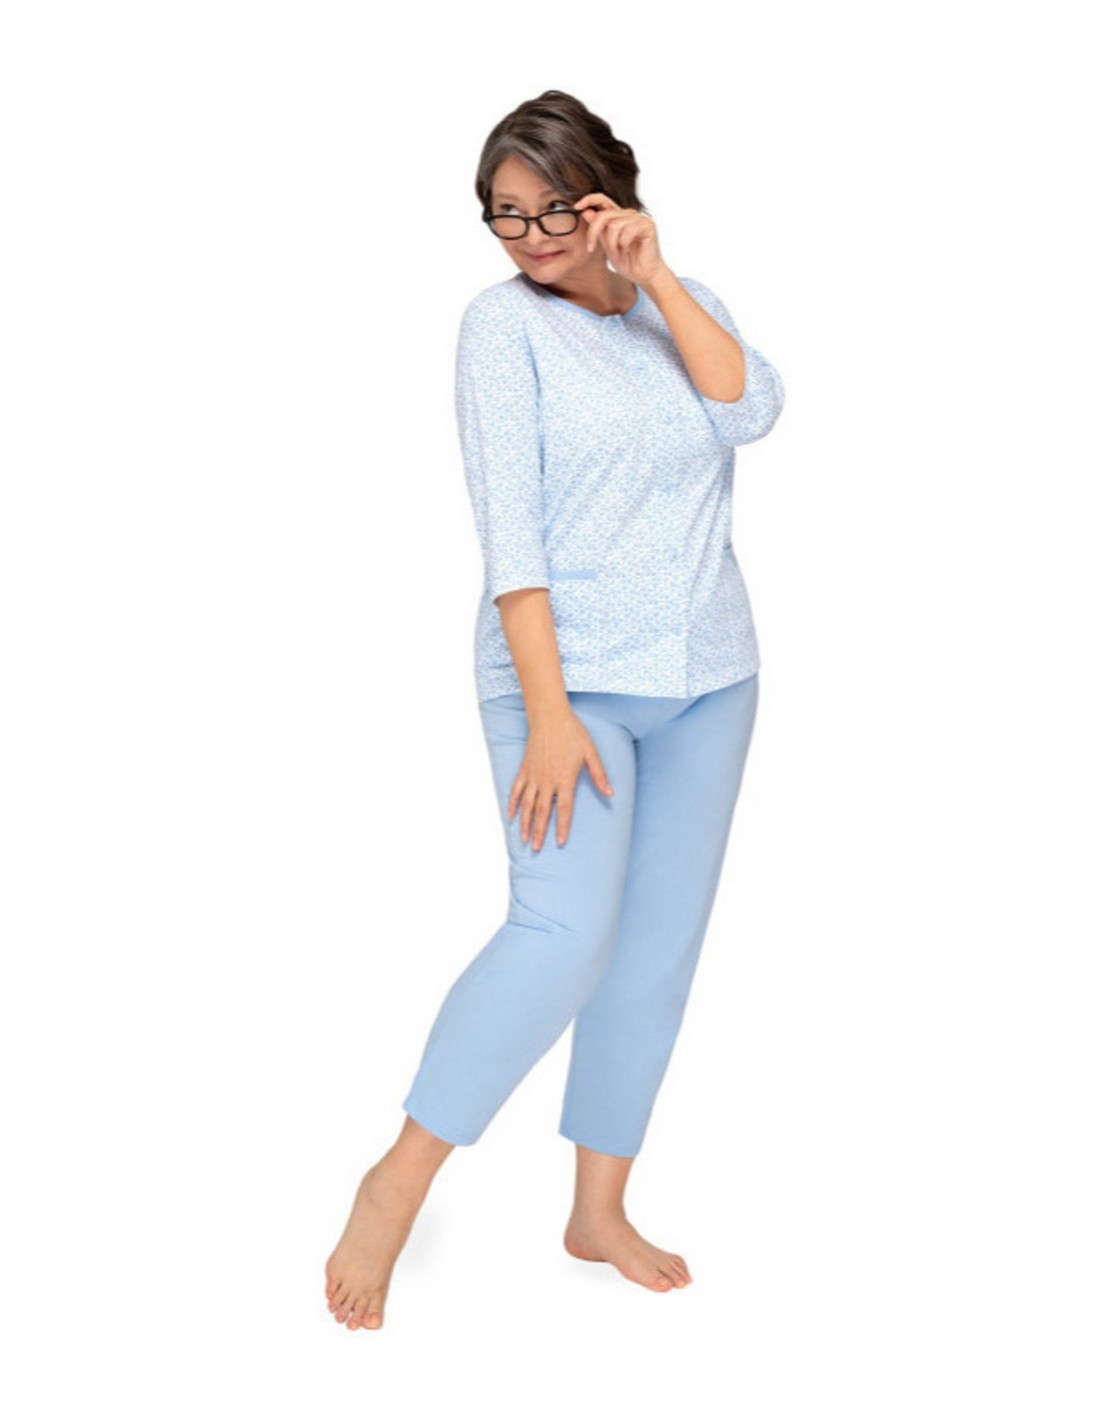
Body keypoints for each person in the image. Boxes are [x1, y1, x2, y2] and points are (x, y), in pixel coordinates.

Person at [325, 89, 785, 1331]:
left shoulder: (683, 309)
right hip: (563, 686)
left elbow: (749, 410)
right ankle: (396, 1181)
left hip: (709, 675)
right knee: (559, 935)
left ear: (608, 198)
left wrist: (657, 275)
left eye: (551, 211)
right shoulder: (499, 329)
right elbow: (510, 536)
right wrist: (545, 714)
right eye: (503, 215)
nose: (527, 238)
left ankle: (597, 1209)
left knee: (655, 946)